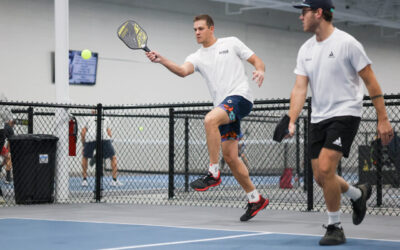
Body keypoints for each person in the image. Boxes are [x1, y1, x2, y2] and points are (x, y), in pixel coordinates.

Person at [288, 0, 394, 245]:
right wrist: (290, 118)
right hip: (318, 117)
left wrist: (383, 118)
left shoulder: (347, 43)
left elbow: (371, 81)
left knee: (326, 169)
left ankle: (335, 227)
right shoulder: (305, 49)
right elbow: (299, 88)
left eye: (304, 12)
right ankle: (358, 194)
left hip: (346, 113)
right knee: (320, 177)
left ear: (319, 13)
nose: (300, 17)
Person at [146, 14, 269, 221]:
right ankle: (255, 198)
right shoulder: (197, 56)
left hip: (240, 97)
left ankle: (213, 173)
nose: (197, 32)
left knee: (210, 119)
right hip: (224, 108)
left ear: (211, 28)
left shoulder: (231, 42)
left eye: (200, 28)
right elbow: (183, 71)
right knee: (230, 157)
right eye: (194, 29)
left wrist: (259, 70)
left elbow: (257, 61)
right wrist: (162, 60)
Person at [81, 110, 123, 187]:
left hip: (91, 137)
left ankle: (84, 180)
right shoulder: (104, 117)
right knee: (113, 157)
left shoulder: (89, 117)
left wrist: (83, 144)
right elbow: (109, 133)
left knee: (85, 157)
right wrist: (109, 141)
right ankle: (114, 180)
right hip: (102, 137)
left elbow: (83, 132)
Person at [0, 119, 15, 184]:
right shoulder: (10, 129)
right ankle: (8, 178)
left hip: (1, 145)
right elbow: (9, 142)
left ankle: (0, 167)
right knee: (9, 158)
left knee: (7, 157)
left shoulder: (5, 126)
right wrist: (8, 152)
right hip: (0, 145)